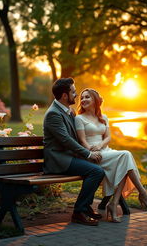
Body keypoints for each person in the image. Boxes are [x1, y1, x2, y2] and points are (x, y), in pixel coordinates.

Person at [75, 88, 147, 223]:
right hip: (92, 155)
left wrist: (101, 146)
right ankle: (143, 195)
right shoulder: (79, 118)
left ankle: (114, 204)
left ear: (95, 100)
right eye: (82, 98)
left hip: (105, 150)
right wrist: (91, 150)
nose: (83, 100)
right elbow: (82, 140)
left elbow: (108, 137)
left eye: (87, 97)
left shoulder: (103, 117)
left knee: (124, 161)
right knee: (125, 156)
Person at [43, 78, 105, 226]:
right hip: (59, 160)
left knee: (101, 166)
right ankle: (79, 212)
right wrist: (88, 154)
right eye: (73, 92)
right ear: (65, 95)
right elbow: (66, 140)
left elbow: (76, 136)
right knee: (96, 171)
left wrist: (93, 147)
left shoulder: (68, 111)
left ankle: (86, 207)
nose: (76, 95)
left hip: (69, 156)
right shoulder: (54, 114)